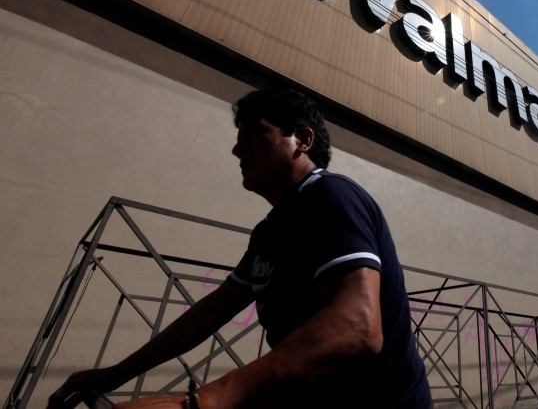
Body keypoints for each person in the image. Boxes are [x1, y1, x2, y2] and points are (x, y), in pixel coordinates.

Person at [48, 87, 431, 408]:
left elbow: (357, 328)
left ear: (303, 140)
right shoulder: (268, 231)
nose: (237, 151)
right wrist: (113, 375)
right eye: (237, 140)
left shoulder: (331, 196)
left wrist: (205, 400)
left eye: (254, 136)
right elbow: (211, 312)